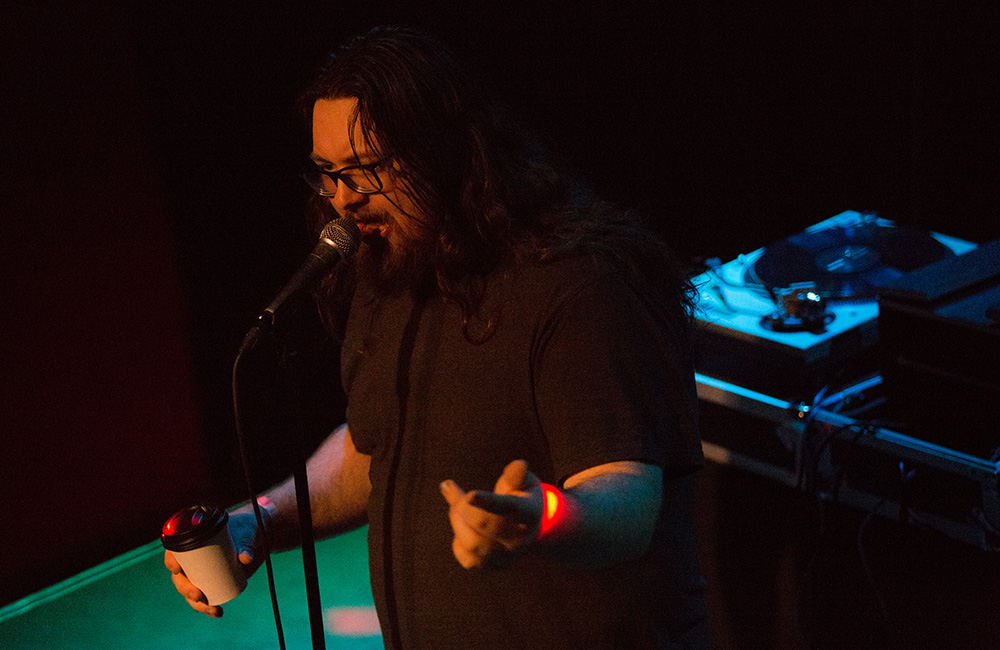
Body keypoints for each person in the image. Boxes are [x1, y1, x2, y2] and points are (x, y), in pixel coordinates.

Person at [165, 25, 710, 649]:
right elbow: (375, 455)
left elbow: (630, 500)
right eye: (328, 174)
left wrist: (544, 519)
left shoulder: (580, 285)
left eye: (366, 170)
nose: (344, 199)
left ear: (447, 153)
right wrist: (261, 522)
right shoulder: (394, 270)